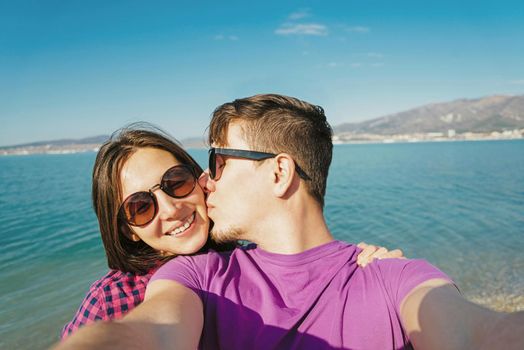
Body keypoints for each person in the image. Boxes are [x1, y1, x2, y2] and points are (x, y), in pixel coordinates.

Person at [55, 94, 524, 350]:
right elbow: (149, 332)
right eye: (139, 207)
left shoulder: (393, 276)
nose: (203, 184)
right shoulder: (193, 278)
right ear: (126, 229)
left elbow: (477, 333)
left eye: (210, 166)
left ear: (279, 172)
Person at [60, 123, 402, 339]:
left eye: (175, 182)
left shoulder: (250, 260)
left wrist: (365, 269)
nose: (171, 208)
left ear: (199, 179)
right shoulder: (113, 298)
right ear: (128, 230)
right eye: (140, 206)